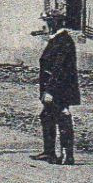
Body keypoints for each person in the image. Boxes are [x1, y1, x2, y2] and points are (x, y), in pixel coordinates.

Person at [32, 9, 79, 165]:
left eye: (46, 22)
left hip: (60, 88)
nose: (44, 26)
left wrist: (50, 91)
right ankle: (49, 152)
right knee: (47, 116)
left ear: (53, 24)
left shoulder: (64, 41)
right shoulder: (56, 39)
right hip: (54, 87)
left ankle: (67, 155)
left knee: (62, 116)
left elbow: (59, 69)